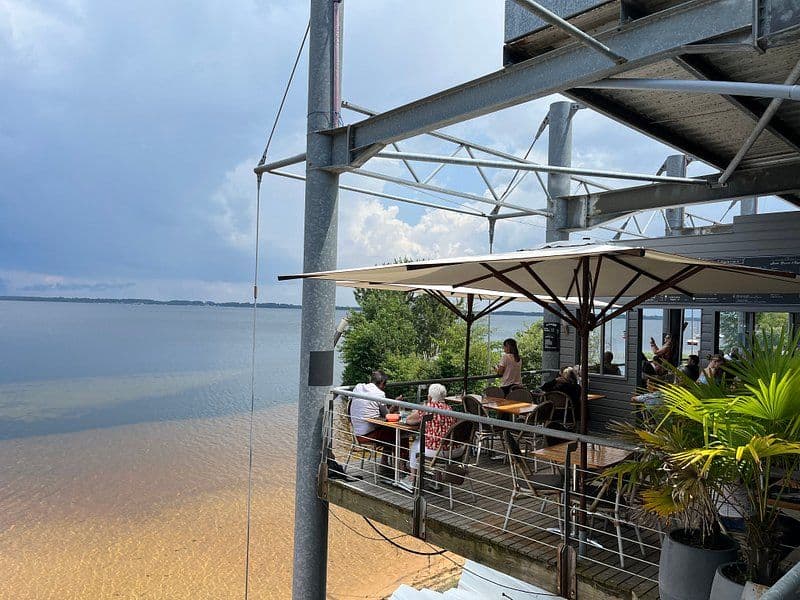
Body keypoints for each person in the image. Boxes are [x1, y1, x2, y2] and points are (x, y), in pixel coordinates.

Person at [400, 383, 458, 493]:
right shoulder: (450, 409)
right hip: (452, 450)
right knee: (438, 439)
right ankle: (437, 480)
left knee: (415, 445)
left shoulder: (428, 408)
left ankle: (412, 479)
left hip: (437, 452)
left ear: (430, 396)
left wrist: (421, 411)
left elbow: (409, 420)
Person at [350, 370, 408, 474]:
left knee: (389, 432)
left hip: (357, 432)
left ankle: (384, 462)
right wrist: (395, 404)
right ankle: (401, 467)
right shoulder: (379, 394)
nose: (384, 387)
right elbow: (387, 415)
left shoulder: (358, 387)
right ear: (381, 383)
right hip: (369, 434)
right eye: (385, 384)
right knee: (401, 433)